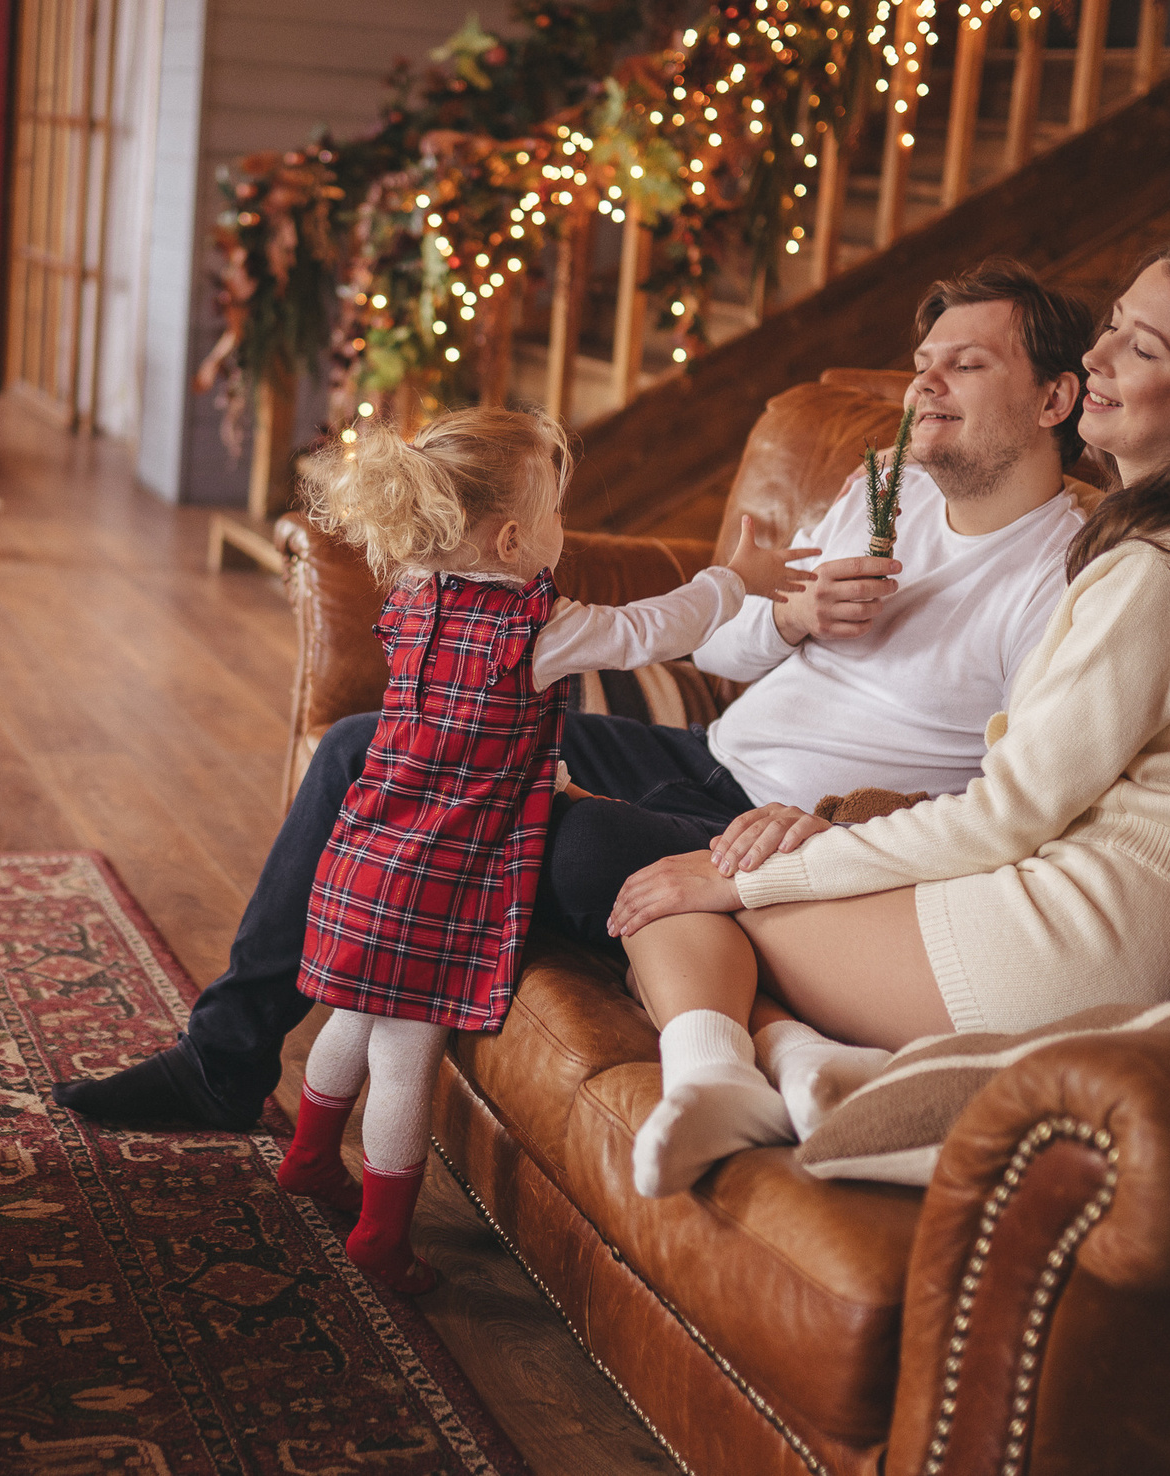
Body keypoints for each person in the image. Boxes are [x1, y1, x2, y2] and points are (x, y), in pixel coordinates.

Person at [54, 259, 1096, 1135]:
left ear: (1054, 399)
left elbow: (1011, 798)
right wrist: (791, 617)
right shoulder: (888, 485)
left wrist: (829, 831)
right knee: (362, 750)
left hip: (783, 833)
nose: (925, 387)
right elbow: (726, 650)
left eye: (968, 365)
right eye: (922, 365)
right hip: (707, 754)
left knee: (562, 844)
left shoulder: (1072, 574)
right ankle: (221, 1064)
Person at [610, 226, 1170, 1199]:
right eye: (1108, 330)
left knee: (676, 898)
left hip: (1071, 931)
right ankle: (800, 1066)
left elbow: (1007, 810)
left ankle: (721, 1075)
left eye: (1140, 349)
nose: (1097, 356)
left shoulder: (1164, 567)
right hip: (1078, 903)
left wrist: (766, 877)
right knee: (710, 890)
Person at [271, 405, 815, 1292]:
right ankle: (380, 1231)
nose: (564, 533)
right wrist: (734, 578)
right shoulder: (539, 630)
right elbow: (655, 631)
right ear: (518, 538)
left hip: (374, 845)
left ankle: (308, 1155)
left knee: (351, 1015)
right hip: (441, 871)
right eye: (558, 515)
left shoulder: (415, 594)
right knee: (409, 1054)